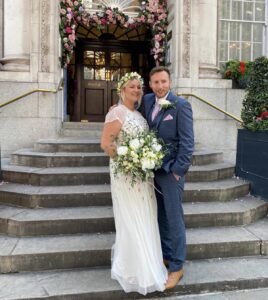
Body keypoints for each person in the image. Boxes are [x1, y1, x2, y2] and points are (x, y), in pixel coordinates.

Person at [101, 72, 168, 295]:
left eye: (139, 87)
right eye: (132, 86)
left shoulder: (139, 115)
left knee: (145, 215)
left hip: (142, 176)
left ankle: (147, 267)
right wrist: (128, 160)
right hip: (125, 175)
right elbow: (106, 144)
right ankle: (132, 269)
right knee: (130, 217)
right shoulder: (117, 113)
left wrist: (143, 160)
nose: (137, 90)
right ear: (122, 89)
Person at [139, 66, 194, 289]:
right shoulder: (147, 100)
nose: (160, 86)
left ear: (170, 82)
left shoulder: (181, 106)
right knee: (160, 217)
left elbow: (187, 143)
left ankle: (177, 266)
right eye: (156, 82)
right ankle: (166, 256)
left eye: (163, 81)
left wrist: (178, 171)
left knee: (174, 218)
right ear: (150, 84)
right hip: (152, 172)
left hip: (171, 173)